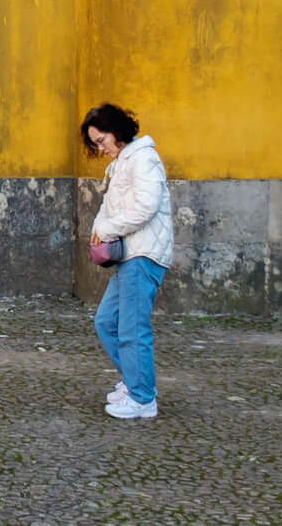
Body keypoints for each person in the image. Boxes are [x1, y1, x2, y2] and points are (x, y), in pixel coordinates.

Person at [83, 102, 173, 421]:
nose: (101, 148)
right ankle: (135, 382)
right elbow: (110, 207)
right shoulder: (125, 161)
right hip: (131, 255)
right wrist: (98, 230)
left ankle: (142, 398)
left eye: (101, 140)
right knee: (106, 321)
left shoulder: (143, 158)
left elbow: (145, 207)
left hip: (144, 254)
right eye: (96, 144)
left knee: (132, 328)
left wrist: (106, 229)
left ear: (116, 130)